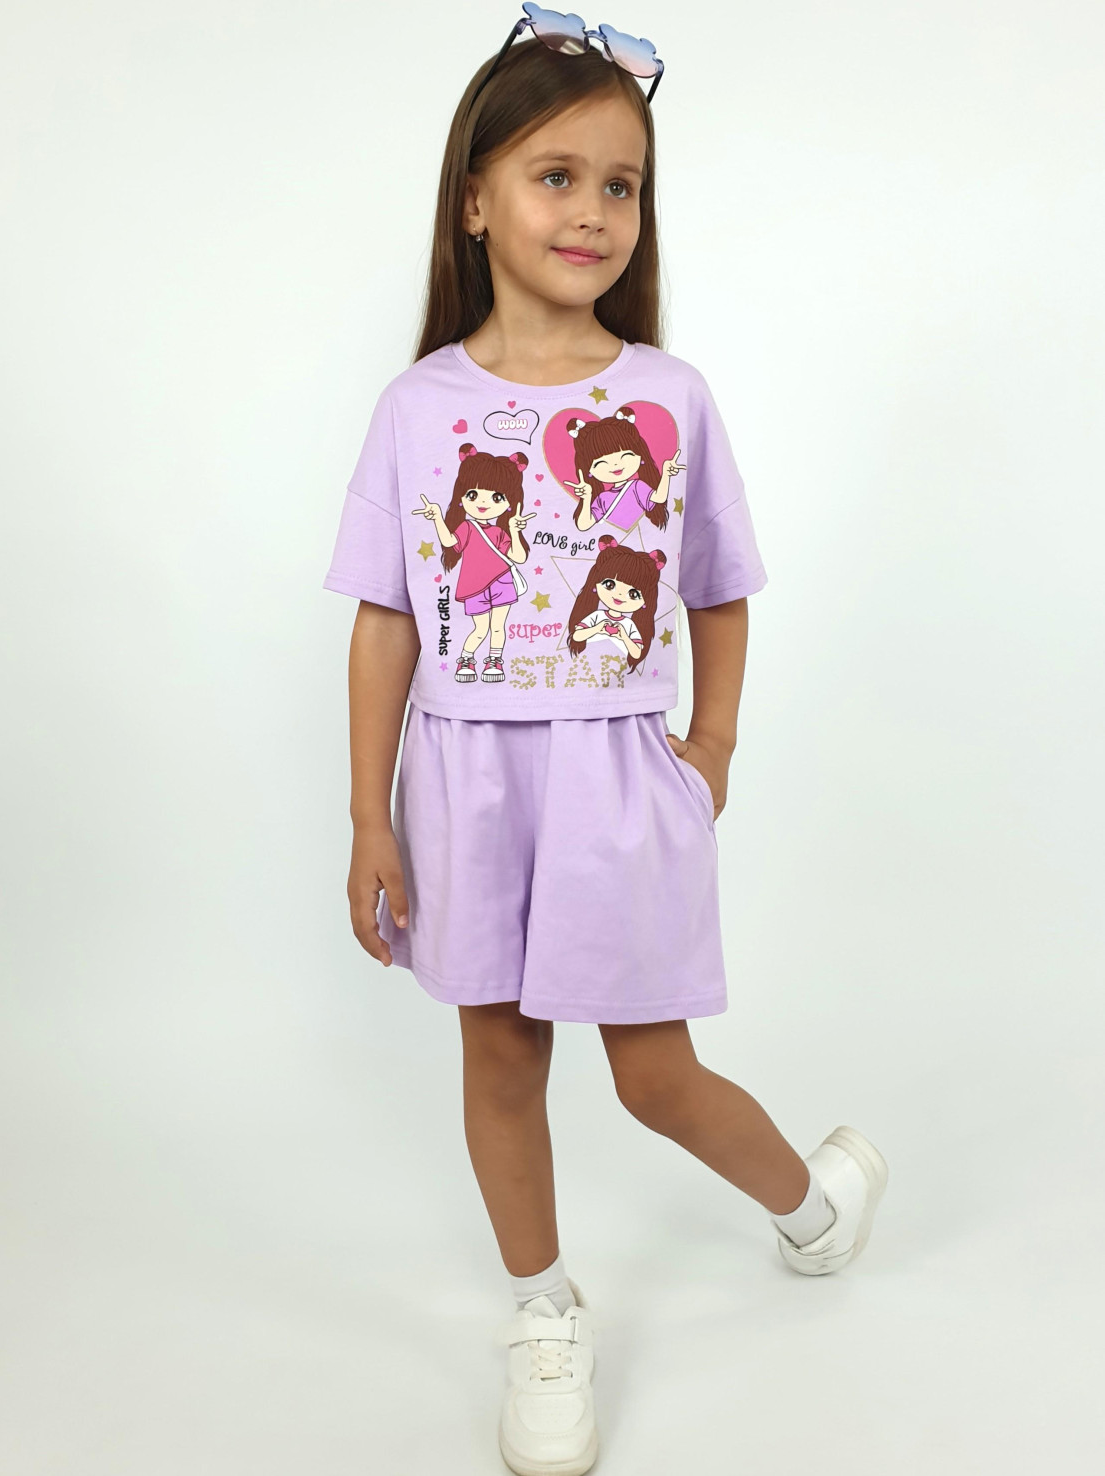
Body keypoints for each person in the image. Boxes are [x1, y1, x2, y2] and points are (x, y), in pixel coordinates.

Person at [322, 11, 888, 1475]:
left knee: (651, 1072)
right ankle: (542, 1311)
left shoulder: (665, 396)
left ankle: (812, 1205)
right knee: (501, 1056)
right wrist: (371, 814)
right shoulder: (418, 407)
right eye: (555, 176)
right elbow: (385, 621)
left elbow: (717, 589)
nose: (590, 212)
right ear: (475, 199)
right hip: (465, 784)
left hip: (618, 782)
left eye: (620, 185)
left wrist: (714, 745)